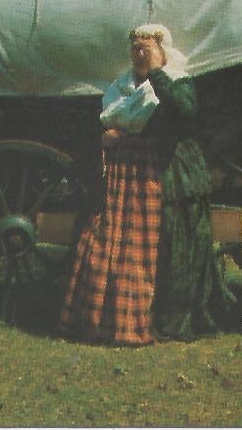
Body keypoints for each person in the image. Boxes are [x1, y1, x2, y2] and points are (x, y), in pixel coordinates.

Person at [59, 24, 217, 345]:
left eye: (146, 48)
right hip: (130, 177)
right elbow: (111, 121)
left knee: (169, 246)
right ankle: (123, 317)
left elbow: (184, 109)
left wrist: (157, 74)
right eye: (135, 49)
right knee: (120, 243)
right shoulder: (122, 86)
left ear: (162, 52)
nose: (139, 53)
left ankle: (169, 320)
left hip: (170, 173)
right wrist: (110, 136)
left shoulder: (175, 80)